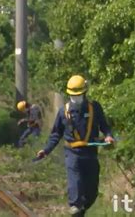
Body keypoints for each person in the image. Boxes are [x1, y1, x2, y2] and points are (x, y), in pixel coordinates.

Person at [36, 75, 115, 216]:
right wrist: (46, 150)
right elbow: (55, 135)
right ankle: (75, 207)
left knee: (91, 192)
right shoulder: (63, 112)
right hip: (72, 153)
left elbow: (105, 126)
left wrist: (109, 136)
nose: (76, 98)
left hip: (90, 153)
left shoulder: (94, 108)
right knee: (76, 185)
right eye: (73, 95)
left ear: (85, 93)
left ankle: (81, 210)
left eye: (78, 95)